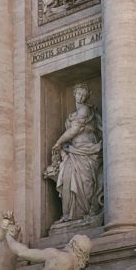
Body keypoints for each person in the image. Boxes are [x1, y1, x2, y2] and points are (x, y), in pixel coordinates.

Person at [47, 83, 103, 222]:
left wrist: (58, 142)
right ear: (74, 94)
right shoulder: (73, 114)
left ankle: (83, 211)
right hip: (74, 151)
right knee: (67, 177)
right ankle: (69, 214)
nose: (81, 97)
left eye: (84, 95)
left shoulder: (85, 110)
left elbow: (75, 130)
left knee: (85, 181)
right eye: (78, 94)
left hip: (86, 150)